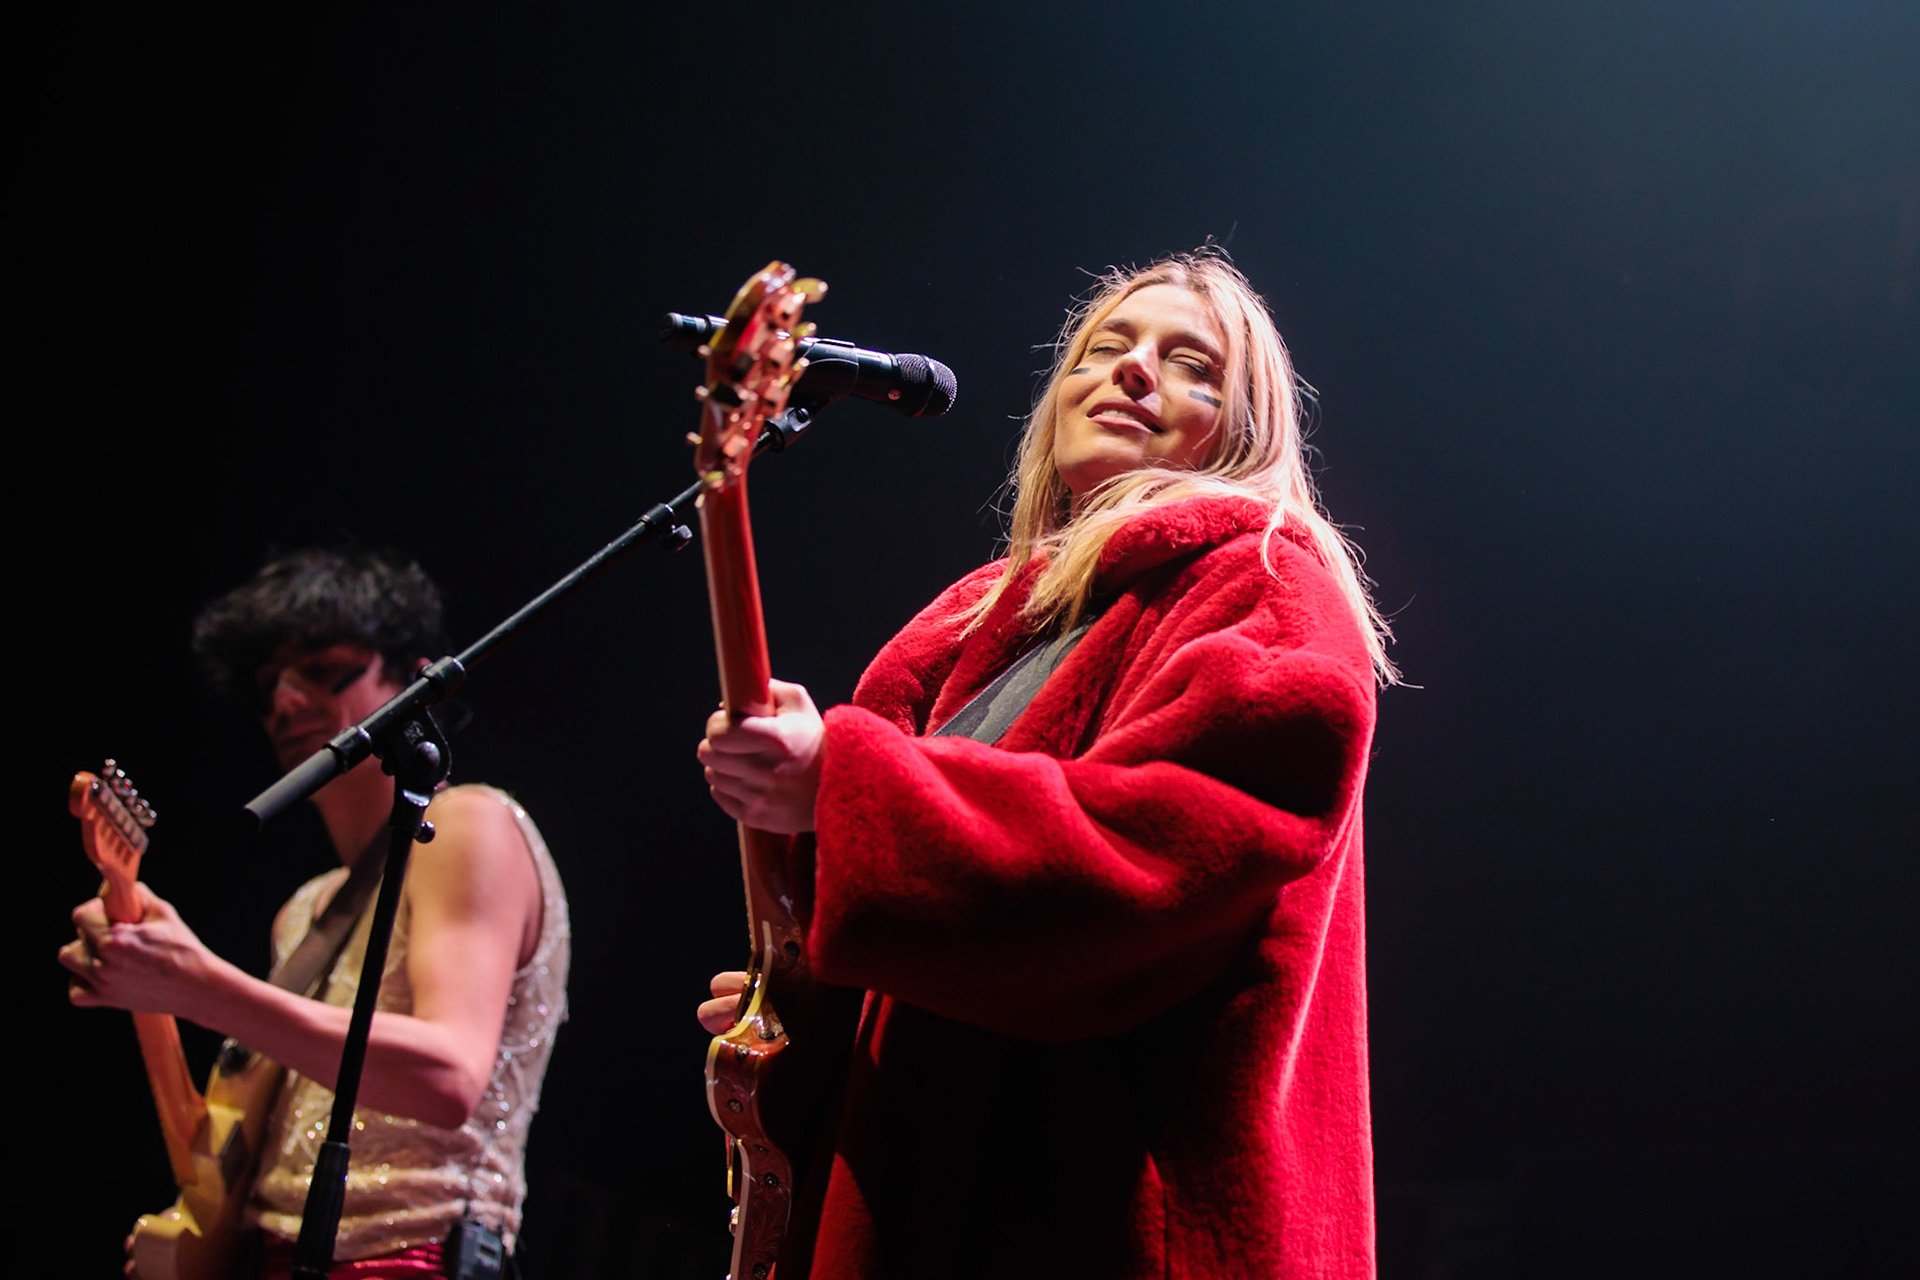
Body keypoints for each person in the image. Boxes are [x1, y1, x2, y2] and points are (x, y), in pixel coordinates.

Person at [697, 250, 1396, 1279]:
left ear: (1243, 430)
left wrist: (845, 783)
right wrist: (805, 1000)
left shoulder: (1269, 585)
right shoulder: (969, 628)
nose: (1131, 371)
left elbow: (1157, 849)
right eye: (1103, 349)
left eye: (1189, 363)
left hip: (1118, 1227)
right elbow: (951, 937)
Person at [61, 547, 569, 1280]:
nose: (287, 702)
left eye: (326, 670)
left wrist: (199, 987)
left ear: (412, 680)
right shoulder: (303, 910)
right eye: (270, 683)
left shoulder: (469, 824)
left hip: (413, 1258)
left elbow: (449, 1076)